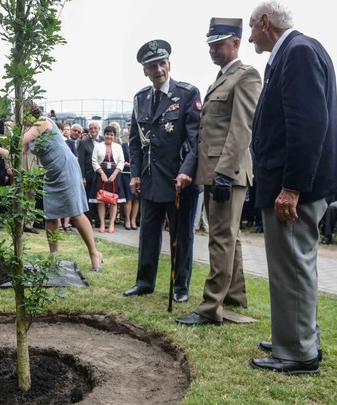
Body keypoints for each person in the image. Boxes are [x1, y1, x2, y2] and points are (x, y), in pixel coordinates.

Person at [247, 1, 337, 375]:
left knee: (292, 264)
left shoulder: (299, 51)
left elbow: (307, 126)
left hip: (295, 187)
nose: (249, 37)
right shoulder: (293, 52)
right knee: (291, 264)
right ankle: (293, 336)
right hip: (290, 182)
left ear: (265, 21)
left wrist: (291, 187)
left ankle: (297, 352)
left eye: (251, 28)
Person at [176, 17, 261, 326]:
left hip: (228, 172)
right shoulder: (222, 77)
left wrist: (224, 172)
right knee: (230, 237)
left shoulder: (246, 76)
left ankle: (210, 308)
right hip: (216, 171)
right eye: (210, 45)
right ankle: (235, 297)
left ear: (235, 43)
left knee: (221, 239)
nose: (212, 50)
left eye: (218, 44)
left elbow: (241, 130)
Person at [123, 39, 201, 301]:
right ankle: (144, 282)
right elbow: (135, 141)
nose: (159, 69)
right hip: (149, 179)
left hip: (180, 179)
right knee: (148, 232)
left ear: (169, 64)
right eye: (152, 66)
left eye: (162, 63)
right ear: (145, 70)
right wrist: (135, 174)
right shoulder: (140, 98)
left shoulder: (187, 93)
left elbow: (195, 139)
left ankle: (180, 287)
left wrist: (188, 171)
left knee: (181, 235)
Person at [22, 101, 103, 272]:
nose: (21, 120)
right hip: (51, 174)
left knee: (76, 212)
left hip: (66, 168)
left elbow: (19, 141)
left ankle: (94, 253)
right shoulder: (30, 131)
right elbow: (16, 152)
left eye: (22, 115)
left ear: (28, 113)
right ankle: (54, 258)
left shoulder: (43, 122)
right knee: (50, 216)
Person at [88, 126, 126, 233]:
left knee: (114, 200)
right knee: (101, 200)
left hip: (115, 174)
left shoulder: (118, 147)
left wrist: (115, 173)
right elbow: (94, 161)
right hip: (101, 174)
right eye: (107, 134)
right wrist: (102, 173)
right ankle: (103, 224)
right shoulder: (98, 146)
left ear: (114, 136)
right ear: (104, 135)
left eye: (111, 134)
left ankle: (112, 224)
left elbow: (122, 161)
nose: (109, 136)